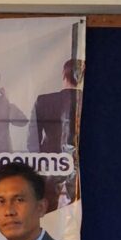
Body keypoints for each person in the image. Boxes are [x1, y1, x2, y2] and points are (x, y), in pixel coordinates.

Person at [29, 58, 85, 212]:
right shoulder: (89, 101)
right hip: (80, 167)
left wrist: (38, 165)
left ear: (63, 74)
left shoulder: (44, 100)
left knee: (47, 212)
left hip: (50, 165)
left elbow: (32, 140)